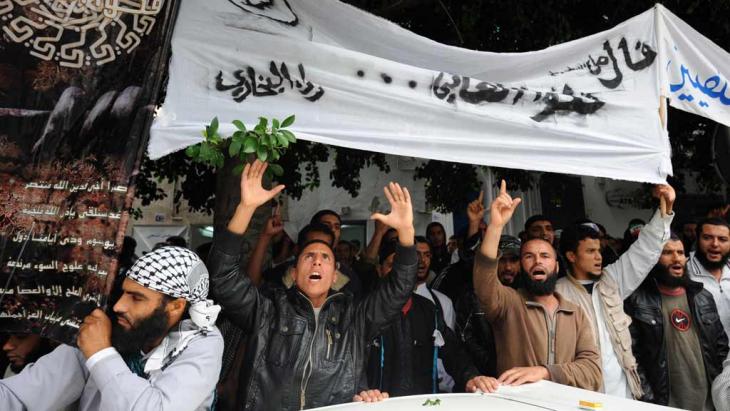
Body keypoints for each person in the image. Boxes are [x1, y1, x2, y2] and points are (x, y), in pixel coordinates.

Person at [207, 160, 418, 409]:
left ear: (334, 276)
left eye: (325, 257)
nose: (317, 260)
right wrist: (245, 208)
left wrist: (406, 231)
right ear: (294, 274)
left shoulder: (356, 318)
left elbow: (399, 287)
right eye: (308, 256)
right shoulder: (267, 310)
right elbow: (222, 276)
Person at [0, 246, 224, 410]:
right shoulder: (108, 330)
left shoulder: (202, 342)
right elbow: (21, 395)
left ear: (175, 306)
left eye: (136, 298)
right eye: (124, 292)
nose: (118, 306)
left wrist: (101, 355)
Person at [473, 180, 601, 390]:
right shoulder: (508, 303)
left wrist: (544, 372)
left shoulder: (575, 313)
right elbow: (484, 281)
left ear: (557, 267)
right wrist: (496, 226)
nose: (538, 261)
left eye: (544, 256)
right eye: (529, 257)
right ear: (522, 267)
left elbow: (592, 371)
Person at [556, 185, 675, 399]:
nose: (598, 257)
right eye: (590, 252)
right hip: (581, 394)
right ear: (571, 256)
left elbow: (644, 251)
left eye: (599, 251)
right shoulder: (557, 293)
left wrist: (665, 209)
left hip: (623, 392)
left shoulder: (611, 280)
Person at [366, 240, 497, 396]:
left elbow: (453, 352)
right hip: (377, 405)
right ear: (379, 269)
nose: (398, 273)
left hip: (424, 404)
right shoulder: (364, 311)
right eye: (391, 265)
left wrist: (471, 377)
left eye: (405, 267)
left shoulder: (428, 310)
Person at [626, 235, 728, 409]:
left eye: (680, 252)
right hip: (666, 404)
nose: (676, 258)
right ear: (653, 257)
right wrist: (649, 400)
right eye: (667, 252)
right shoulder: (637, 301)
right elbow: (633, 358)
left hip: (709, 403)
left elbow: (721, 348)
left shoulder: (702, 297)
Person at [687, 217, 730, 337]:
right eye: (707, 238)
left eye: (722, 239)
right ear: (697, 239)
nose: (715, 244)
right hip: (702, 354)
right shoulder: (683, 272)